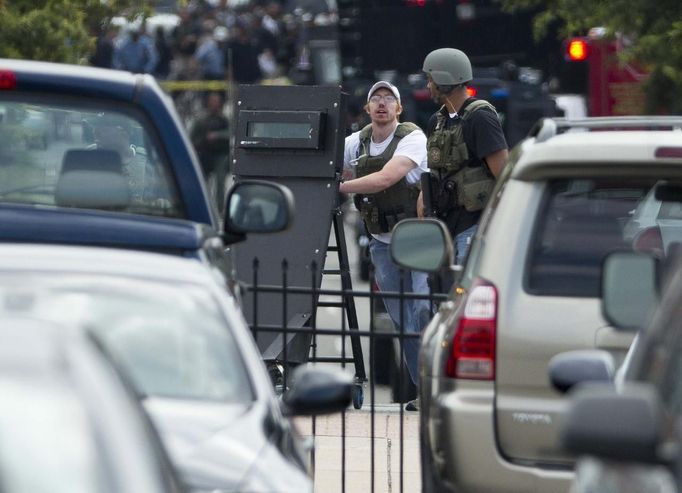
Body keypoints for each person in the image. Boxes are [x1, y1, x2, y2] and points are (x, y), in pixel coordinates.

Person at [339, 81, 430, 411]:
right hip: (381, 243)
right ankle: (424, 393)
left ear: (399, 108)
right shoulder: (357, 143)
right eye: (375, 98)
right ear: (366, 109)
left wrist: (341, 185)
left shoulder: (412, 138)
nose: (381, 103)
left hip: (417, 240)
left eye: (388, 99)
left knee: (423, 310)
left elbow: (386, 178)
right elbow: (329, 159)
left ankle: (437, 389)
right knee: (402, 322)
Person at [420, 48, 509, 265]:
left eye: (430, 79)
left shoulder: (480, 118)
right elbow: (435, 172)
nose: (428, 86)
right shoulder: (437, 121)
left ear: (444, 80)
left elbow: (504, 174)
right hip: (444, 226)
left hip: (473, 224)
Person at [88, 113, 158, 204]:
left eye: (102, 128)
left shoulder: (147, 161)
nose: (95, 132)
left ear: (123, 133)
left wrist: (160, 202)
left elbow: (156, 199)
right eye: (95, 127)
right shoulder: (89, 155)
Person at [189, 92, 230, 209]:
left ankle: (220, 207)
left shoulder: (224, 119)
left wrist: (217, 135)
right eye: (212, 102)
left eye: (217, 102)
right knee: (202, 182)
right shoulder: (201, 120)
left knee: (220, 181)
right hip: (205, 154)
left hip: (220, 155)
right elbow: (192, 137)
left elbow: (231, 133)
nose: (215, 104)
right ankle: (203, 206)